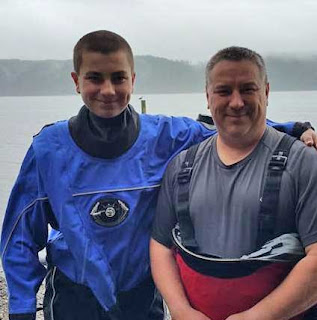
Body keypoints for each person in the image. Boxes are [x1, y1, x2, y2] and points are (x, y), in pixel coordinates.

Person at [0, 32, 315, 320]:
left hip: (142, 296)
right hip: (74, 296)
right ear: (76, 80)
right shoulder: (49, 150)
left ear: (133, 80)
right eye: (95, 78)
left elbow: (229, 124)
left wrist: (292, 129)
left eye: (118, 78)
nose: (108, 90)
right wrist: (22, 308)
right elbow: (20, 236)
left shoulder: (165, 137)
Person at [150, 46, 317, 320]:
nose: (236, 102)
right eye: (224, 91)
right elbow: (161, 247)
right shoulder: (182, 167)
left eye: (248, 89)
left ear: (266, 92)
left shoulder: (304, 164)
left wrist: (258, 316)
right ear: (207, 97)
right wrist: (180, 310)